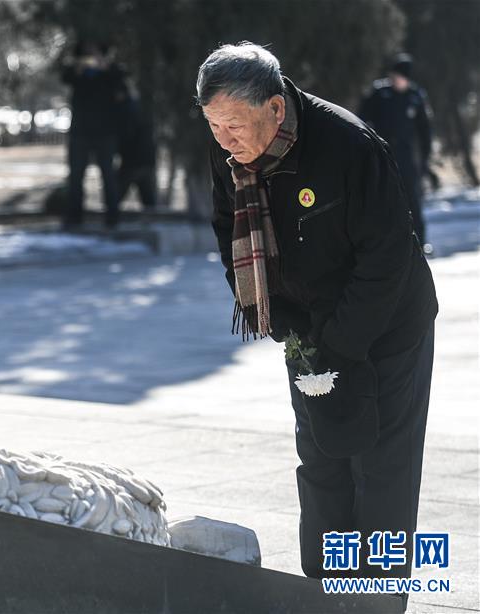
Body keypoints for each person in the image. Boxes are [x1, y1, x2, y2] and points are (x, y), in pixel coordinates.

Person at [198, 43, 437, 591]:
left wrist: (341, 344)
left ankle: (375, 597)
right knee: (323, 458)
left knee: (381, 467)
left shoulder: (349, 145)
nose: (223, 139)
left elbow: (388, 258)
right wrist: (281, 317)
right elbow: (224, 225)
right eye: (214, 126)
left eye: (234, 125)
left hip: (387, 326)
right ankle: (326, 590)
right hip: (308, 325)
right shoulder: (229, 150)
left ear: (276, 108)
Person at [359, 53, 434, 254]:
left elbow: (425, 131)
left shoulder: (415, 96)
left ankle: (420, 242)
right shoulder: (379, 93)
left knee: (413, 198)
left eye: (401, 77)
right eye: (394, 76)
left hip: (407, 155)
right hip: (382, 154)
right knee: (382, 198)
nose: (397, 80)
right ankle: (382, 245)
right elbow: (361, 120)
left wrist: (425, 159)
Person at [61, 41, 125, 229]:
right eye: (86, 53)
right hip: (80, 131)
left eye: (94, 52)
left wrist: (106, 68)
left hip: (105, 132)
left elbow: (121, 91)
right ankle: (74, 216)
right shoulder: (77, 71)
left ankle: (112, 216)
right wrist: (78, 68)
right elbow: (66, 77)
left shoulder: (111, 72)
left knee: (108, 175)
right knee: (75, 176)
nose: (90, 57)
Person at [116, 87, 158, 210]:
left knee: (116, 196)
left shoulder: (126, 110)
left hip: (132, 160)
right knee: (148, 199)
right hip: (146, 158)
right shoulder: (138, 107)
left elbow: (126, 136)